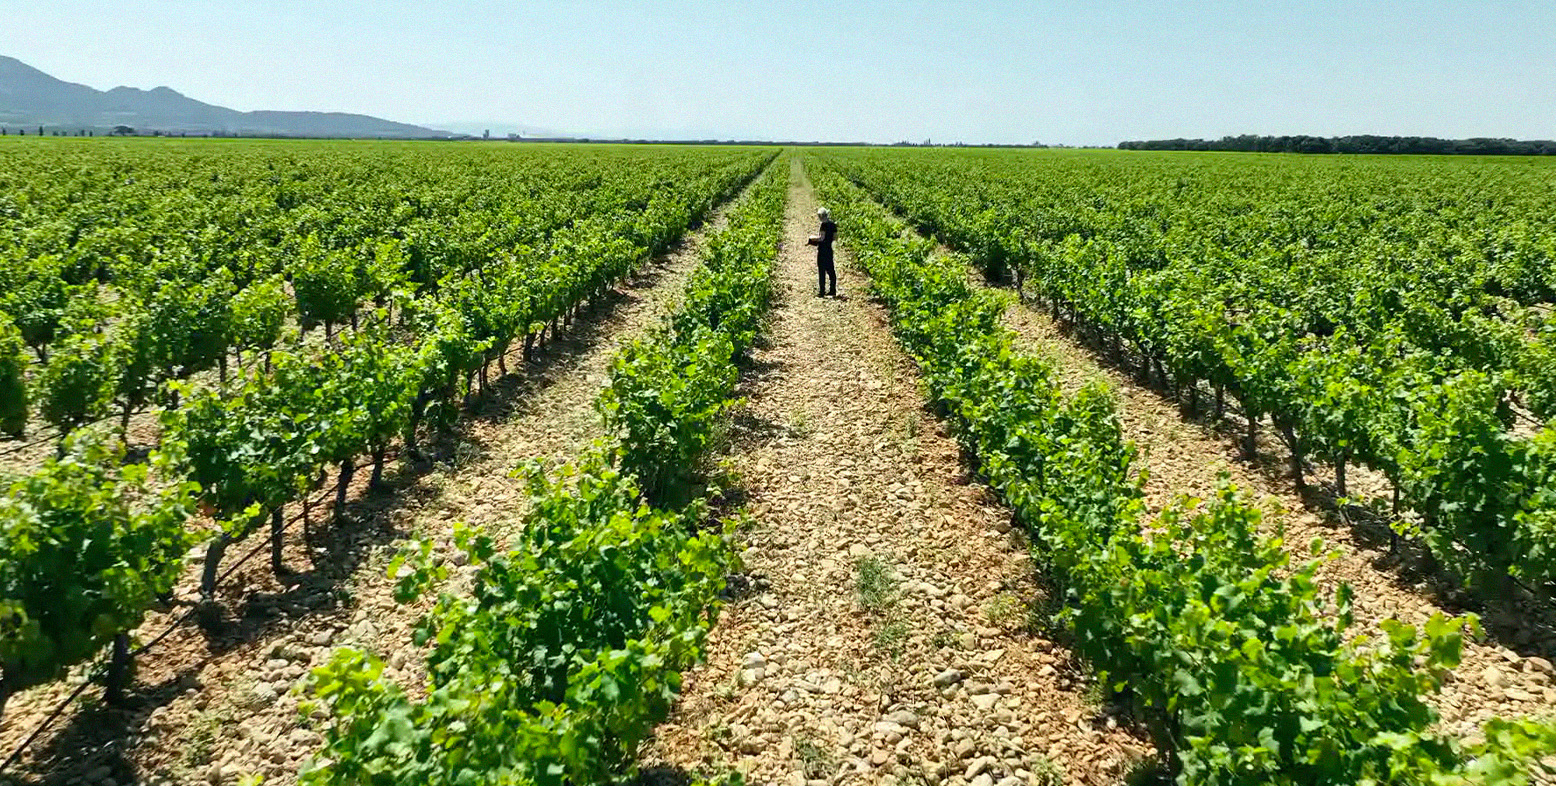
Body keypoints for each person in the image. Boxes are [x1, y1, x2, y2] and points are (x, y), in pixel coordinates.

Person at [807, 207, 837, 297]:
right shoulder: (833, 225)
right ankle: (832, 290)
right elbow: (835, 238)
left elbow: (821, 238)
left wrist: (812, 238)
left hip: (822, 250)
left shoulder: (823, 225)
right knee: (831, 270)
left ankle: (822, 291)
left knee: (821, 270)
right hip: (829, 249)